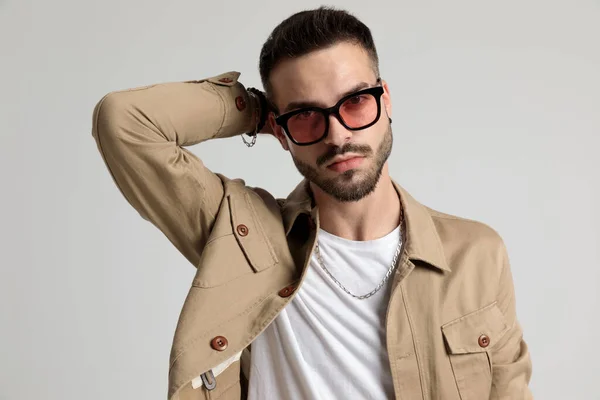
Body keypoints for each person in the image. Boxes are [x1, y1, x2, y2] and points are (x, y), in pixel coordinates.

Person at [91, 7, 532, 400]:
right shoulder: (242, 238)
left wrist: (293, 113)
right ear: (279, 132)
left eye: (356, 101)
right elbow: (124, 122)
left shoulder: (476, 253)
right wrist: (254, 109)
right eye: (306, 115)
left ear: (386, 98)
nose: (338, 136)